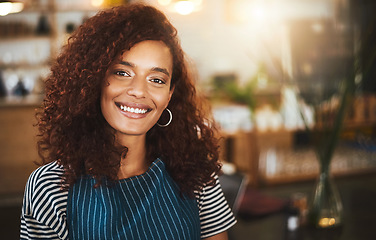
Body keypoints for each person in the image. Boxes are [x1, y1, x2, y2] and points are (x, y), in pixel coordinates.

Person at [20, 3, 236, 240]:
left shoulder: (195, 171)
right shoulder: (50, 186)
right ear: (95, 80)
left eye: (156, 79)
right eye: (122, 73)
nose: (139, 91)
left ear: (170, 94)